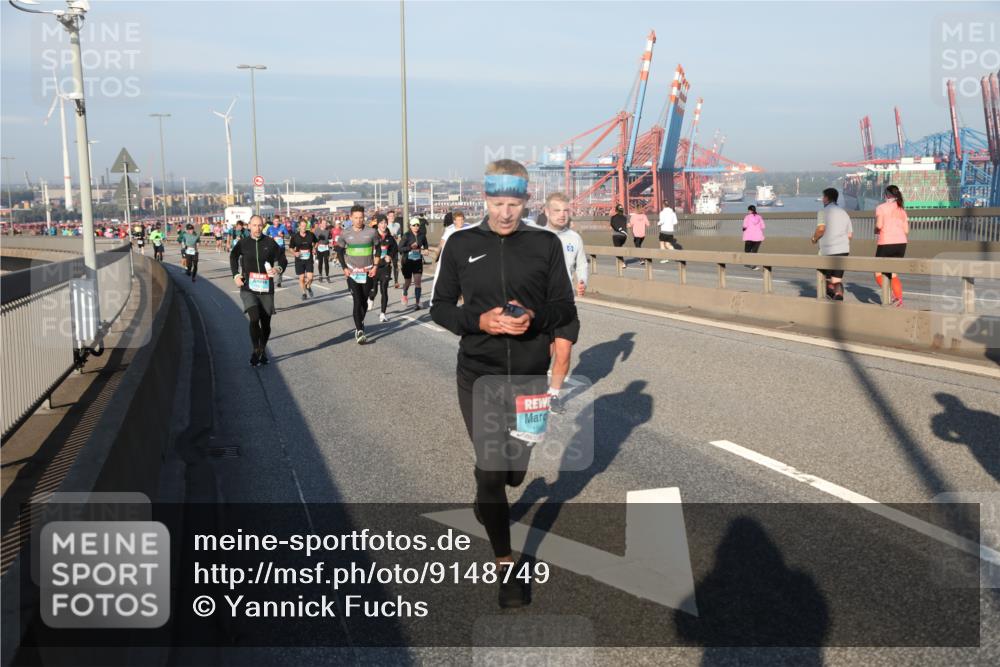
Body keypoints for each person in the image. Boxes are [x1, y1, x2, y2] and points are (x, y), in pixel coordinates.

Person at [431, 159, 576, 609]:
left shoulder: (545, 244)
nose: (506, 213)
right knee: (494, 472)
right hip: (478, 373)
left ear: (527, 201)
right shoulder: (460, 244)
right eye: (497, 203)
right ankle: (506, 566)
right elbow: (439, 308)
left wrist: (536, 318)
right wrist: (479, 321)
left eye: (514, 204)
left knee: (514, 474)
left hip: (530, 377)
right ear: (485, 198)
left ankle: (489, 482)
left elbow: (565, 311)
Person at [540, 193, 587, 414]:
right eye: (557, 210)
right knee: (543, 354)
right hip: (541, 303)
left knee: (565, 350)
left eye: (565, 210)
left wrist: (582, 281)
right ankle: (535, 390)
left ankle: (554, 395)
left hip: (565, 303)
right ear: (546, 212)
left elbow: (582, 264)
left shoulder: (574, 238)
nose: (562, 215)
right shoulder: (536, 237)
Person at [230, 215, 287, 366]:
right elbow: (233, 256)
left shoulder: (270, 242)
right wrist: (236, 274)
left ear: (263, 226)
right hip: (249, 287)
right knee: (254, 318)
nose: (257, 228)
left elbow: (283, 258)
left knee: (266, 323)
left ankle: (262, 349)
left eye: (260, 225)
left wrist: (278, 268)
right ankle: (256, 349)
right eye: (254, 225)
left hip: (266, 288)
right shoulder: (243, 243)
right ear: (249, 226)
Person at [336, 204, 380, 344]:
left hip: (367, 271)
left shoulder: (372, 232)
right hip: (353, 273)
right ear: (351, 218)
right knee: (357, 301)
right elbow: (339, 251)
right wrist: (344, 268)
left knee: (364, 301)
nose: (359, 220)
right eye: (356, 218)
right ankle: (359, 330)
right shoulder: (345, 233)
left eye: (361, 218)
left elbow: (378, 249)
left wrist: (375, 266)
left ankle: (360, 323)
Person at [811, 188, 853, 301]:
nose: (822, 199)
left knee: (825, 277)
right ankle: (839, 296)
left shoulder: (822, 212)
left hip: (828, 250)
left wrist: (814, 238)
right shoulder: (844, 212)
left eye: (823, 197)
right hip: (843, 249)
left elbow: (820, 229)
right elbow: (850, 235)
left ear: (826, 198)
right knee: (836, 279)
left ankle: (827, 297)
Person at [874, 184, 909, 307]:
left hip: (886, 242)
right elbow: (906, 230)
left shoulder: (881, 207)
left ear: (887, 195)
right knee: (893, 273)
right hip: (901, 243)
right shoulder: (902, 209)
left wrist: (876, 230)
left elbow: (879, 225)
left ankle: (890, 294)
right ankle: (899, 299)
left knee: (878, 272)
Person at [368, 217, 398, 322]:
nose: (384, 225)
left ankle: (383, 314)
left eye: (385, 223)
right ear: (378, 224)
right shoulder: (373, 236)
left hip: (385, 267)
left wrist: (389, 255)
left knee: (384, 290)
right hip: (374, 266)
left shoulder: (389, 237)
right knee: (374, 290)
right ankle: (371, 298)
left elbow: (395, 248)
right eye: (381, 223)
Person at [399, 218, 429, 309]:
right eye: (414, 225)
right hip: (407, 262)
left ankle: (417, 302)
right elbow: (400, 248)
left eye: (417, 225)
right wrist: (410, 247)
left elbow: (426, 245)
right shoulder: (406, 236)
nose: (416, 227)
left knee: (418, 282)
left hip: (417, 261)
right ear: (410, 226)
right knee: (408, 281)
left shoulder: (422, 235)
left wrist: (426, 250)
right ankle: (404, 292)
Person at [290, 218, 317, 300]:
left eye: (305, 226)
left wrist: (314, 248)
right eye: (302, 226)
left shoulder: (310, 234)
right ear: (299, 226)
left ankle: (308, 286)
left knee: (310, 278)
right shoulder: (295, 236)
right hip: (299, 259)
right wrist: (294, 253)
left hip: (308, 259)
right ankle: (304, 293)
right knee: (301, 278)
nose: (304, 228)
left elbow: (316, 242)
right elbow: (291, 248)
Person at [742, 204, 765, 270]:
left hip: (749, 236)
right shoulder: (759, 217)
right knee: (754, 251)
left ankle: (747, 263)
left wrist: (744, 229)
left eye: (748, 210)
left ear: (750, 210)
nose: (748, 212)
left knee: (747, 250)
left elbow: (745, 226)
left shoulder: (747, 217)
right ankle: (754, 265)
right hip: (758, 237)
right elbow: (763, 227)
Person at [386, 210, 402, 287]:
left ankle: (396, 282)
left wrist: (396, 237)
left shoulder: (397, 225)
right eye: (391, 216)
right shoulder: (384, 225)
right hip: (386, 248)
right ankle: (386, 277)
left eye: (393, 216)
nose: (392, 217)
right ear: (387, 217)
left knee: (396, 264)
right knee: (387, 264)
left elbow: (399, 236)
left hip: (395, 247)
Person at [314, 219, 333, 283]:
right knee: (320, 262)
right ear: (321, 224)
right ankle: (320, 276)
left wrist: (330, 243)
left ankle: (327, 276)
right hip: (319, 247)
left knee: (326, 262)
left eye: (326, 223)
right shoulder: (317, 231)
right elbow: (314, 240)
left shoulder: (328, 230)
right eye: (324, 223)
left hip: (326, 247)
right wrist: (314, 247)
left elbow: (330, 238)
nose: (325, 225)